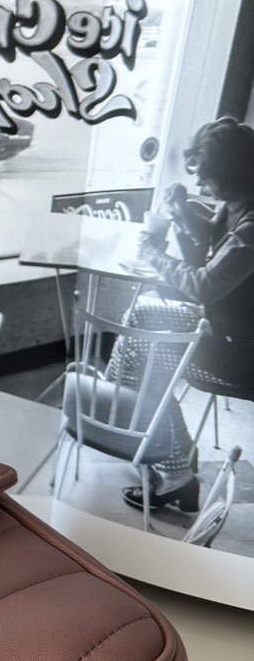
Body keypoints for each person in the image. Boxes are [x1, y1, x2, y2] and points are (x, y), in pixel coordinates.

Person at [114, 116, 254, 518]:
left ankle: (167, 458)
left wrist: (153, 253)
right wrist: (180, 213)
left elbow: (204, 284)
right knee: (138, 321)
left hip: (240, 353)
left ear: (235, 174)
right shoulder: (237, 203)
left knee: (142, 349)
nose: (200, 183)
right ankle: (168, 452)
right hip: (221, 329)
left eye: (207, 176)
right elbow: (208, 246)